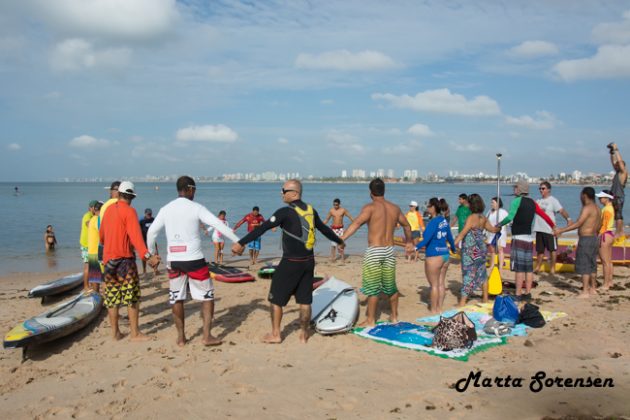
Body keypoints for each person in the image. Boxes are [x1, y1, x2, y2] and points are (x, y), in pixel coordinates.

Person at [232, 180, 343, 343]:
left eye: (284, 190)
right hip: (308, 262)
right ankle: (304, 334)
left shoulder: (285, 212)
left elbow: (262, 228)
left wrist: (241, 243)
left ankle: (276, 334)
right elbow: (325, 229)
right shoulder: (312, 211)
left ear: (294, 193)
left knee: (276, 299)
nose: (281, 193)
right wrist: (340, 241)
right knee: (305, 301)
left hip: (291, 262)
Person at [147, 177, 239, 347]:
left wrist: (151, 254)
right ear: (190, 189)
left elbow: (152, 232)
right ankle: (206, 336)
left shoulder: (166, 209)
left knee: (177, 298)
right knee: (207, 297)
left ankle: (181, 338)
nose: (195, 193)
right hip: (194, 260)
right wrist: (237, 241)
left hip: (174, 261)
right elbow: (218, 224)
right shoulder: (197, 208)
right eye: (194, 189)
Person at [341, 178, 414, 326]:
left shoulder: (370, 208)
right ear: (384, 191)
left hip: (375, 251)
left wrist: (342, 239)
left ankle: (370, 320)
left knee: (373, 289)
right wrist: (409, 242)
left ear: (370, 192)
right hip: (389, 250)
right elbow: (407, 226)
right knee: (391, 287)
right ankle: (394, 317)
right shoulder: (394, 208)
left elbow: (356, 223)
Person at [99, 181, 160, 341]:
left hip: (108, 261)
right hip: (125, 260)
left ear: (118, 194)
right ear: (132, 196)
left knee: (112, 298)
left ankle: (115, 333)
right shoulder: (130, 212)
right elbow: (137, 239)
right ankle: (134, 333)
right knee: (132, 297)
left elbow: (102, 237)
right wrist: (149, 257)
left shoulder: (108, 211)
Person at [498, 180, 554, 300]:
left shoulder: (516, 201)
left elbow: (510, 217)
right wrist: (553, 226)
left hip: (518, 238)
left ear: (519, 190)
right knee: (528, 269)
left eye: (515, 188)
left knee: (519, 269)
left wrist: (499, 224)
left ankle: (518, 294)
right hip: (529, 239)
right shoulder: (533, 202)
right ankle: (528, 293)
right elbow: (544, 216)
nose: (514, 190)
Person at [554, 187, 602, 298]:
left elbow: (579, 223)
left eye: (581, 195)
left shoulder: (587, 208)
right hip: (594, 238)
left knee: (585, 265)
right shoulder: (598, 208)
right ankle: (593, 288)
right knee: (592, 264)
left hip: (586, 239)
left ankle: (585, 291)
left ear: (584, 195)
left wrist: (562, 230)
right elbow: (599, 225)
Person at [454, 194, 499, 306]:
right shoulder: (483, 217)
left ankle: (462, 302)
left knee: (468, 273)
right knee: (482, 273)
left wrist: (454, 243)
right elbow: (493, 229)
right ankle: (485, 298)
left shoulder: (471, 217)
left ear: (471, 204)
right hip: (481, 248)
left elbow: (463, 232)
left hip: (470, 249)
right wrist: (499, 227)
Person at [415, 197, 456, 314]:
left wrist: (415, 247)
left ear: (433, 208)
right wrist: (453, 249)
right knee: (441, 283)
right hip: (445, 255)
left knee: (434, 285)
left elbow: (426, 240)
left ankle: (433, 310)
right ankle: (439, 308)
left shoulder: (432, 222)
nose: (427, 208)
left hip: (434, 256)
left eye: (428, 206)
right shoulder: (443, 220)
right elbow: (450, 237)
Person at [533, 181, 571, 275]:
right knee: (540, 251)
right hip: (539, 229)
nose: (541, 190)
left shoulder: (553, 200)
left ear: (548, 190)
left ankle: (552, 268)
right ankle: (537, 267)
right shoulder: (538, 201)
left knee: (552, 250)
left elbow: (561, 211)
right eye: (540, 188)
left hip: (550, 230)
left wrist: (568, 219)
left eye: (543, 188)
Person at [323, 198, 354, 262]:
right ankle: (333, 258)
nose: (335, 206)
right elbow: (326, 219)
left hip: (340, 229)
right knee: (333, 244)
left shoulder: (343, 210)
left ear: (339, 204)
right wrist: (320, 225)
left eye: (336, 205)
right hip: (333, 229)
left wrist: (354, 224)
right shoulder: (331, 211)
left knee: (341, 244)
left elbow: (350, 217)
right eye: (334, 205)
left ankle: (342, 258)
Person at [596, 190, 615, 290]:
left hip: (605, 235)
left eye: (601, 197)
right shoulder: (610, 208)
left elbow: (604, 225)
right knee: (609, 261)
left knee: (605, 262)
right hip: (610, 234)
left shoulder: (607, 209)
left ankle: (606, 284)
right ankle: (610, 281)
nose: (599, 199)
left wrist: (598, 234)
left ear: (607, 198)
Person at [486, 197, 508, 277]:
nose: (491, 204)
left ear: (498, 203)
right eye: (491, 202)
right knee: (492, 249)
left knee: (500, 249)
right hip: (491, 232)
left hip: (500, 233)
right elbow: (486, 221)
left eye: (493, 202)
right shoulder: (489, 212)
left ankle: (501, 266)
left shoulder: (503, 212)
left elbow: (508, 221)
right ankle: (492, 265)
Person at [608, 143, 627, 237]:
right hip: (614, 196)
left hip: (619, 196)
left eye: (618, 165)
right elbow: (614, 162)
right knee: (616, 215)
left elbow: (619, 161)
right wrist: (611, 152)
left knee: (618, 214)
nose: (616, 165)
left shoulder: (623, 173)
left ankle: (619, 232)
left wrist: (616, 149)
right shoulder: (617, 172)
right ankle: (619, 231)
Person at [80, 200, 98, 290]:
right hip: (86, 245)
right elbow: (88, 223)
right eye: (95, 207)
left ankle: (90, 284)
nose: (96, 209)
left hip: (90, 245)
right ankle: (86, 286)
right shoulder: (87, 215)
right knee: (87, 266)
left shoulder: (93, 216)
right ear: (91, 208)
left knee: (92, 265)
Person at [86, 201, 104, 292]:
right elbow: (103, 234)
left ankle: (96, 297)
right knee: (104, 278)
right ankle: (105, 299)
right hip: (98, 253)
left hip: (91, 252)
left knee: (95, 279)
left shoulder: (92, 219)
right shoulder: (98, 220)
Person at [139, 208, 159, 276]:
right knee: (145, 256)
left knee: (156, 255)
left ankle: (155, 269)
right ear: (145, 214)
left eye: (150, 214)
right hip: (144, 241)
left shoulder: (153, 220)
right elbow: (138, 231)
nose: (149, 215)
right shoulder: (142, 221)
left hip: (152, 240)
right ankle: (144, 270)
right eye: (148, 214)